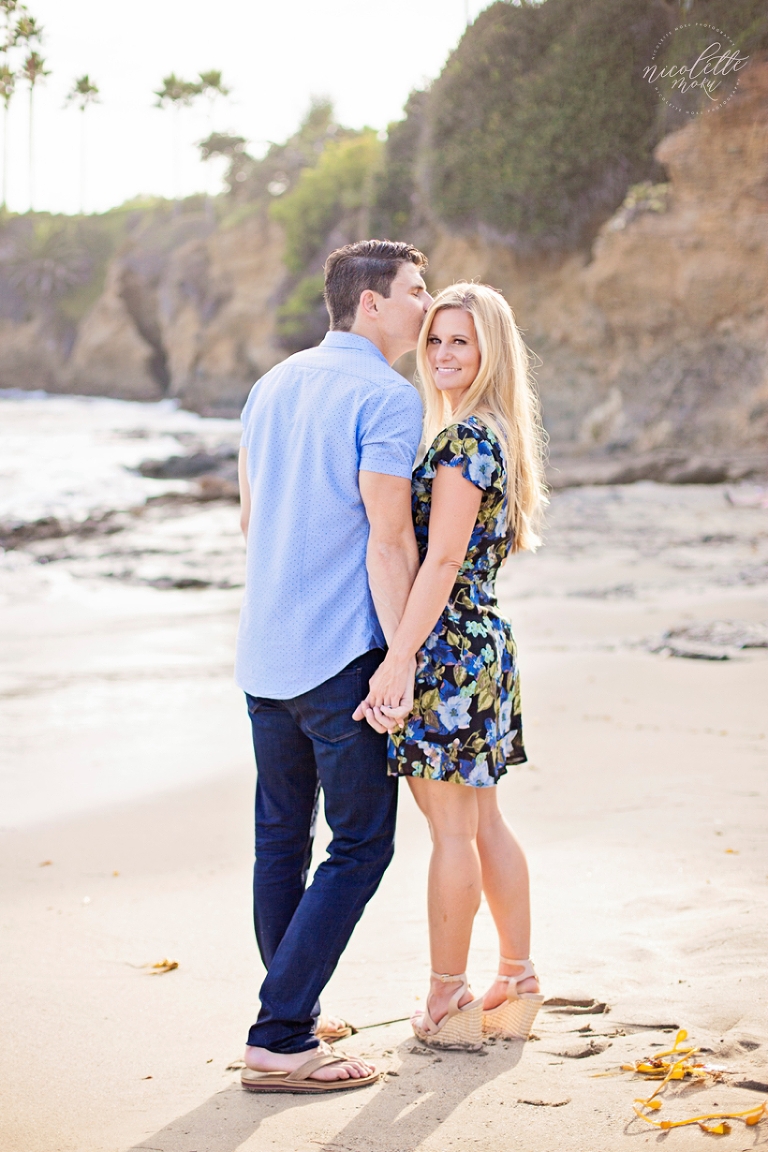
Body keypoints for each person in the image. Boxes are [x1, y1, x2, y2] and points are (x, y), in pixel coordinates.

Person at [235, 239, 431, 1092]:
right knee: (361, 844)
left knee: (282, 839)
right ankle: (280, 1037)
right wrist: (404, 657)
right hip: (338, 656)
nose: (425, 306)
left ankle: (292, 1004)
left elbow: (251, 523)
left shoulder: (270, 385)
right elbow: (389, 540)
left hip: (263, 651)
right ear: (372, 304)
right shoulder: (387, 396)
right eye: (415, 291)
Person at [354, 283, 547, 1051]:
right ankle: (519, 974)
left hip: (447, 646)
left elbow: (438, 562)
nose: (441, 355)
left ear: (489, 349)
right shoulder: (495, 430)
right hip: (481, 641)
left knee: (454, 833)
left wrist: (397, 661)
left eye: (459, 342)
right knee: (482, 819)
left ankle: (446, 994)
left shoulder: (465, 441)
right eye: (434, 340)